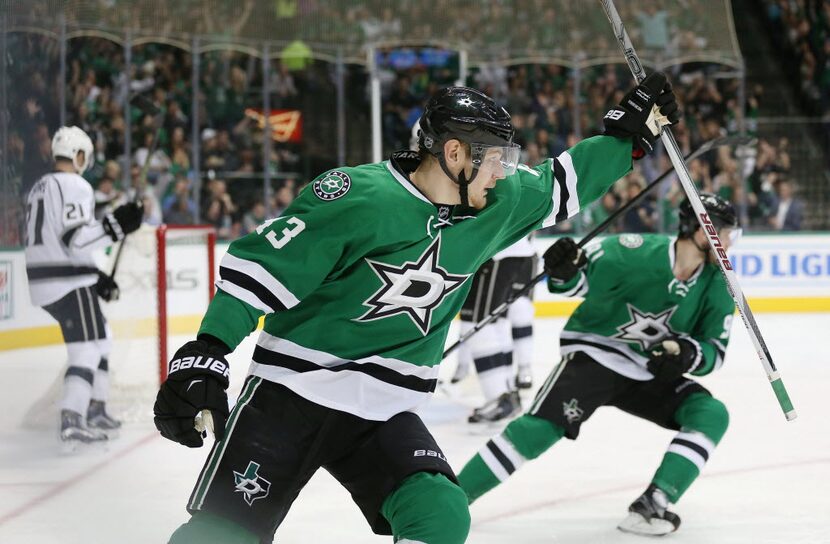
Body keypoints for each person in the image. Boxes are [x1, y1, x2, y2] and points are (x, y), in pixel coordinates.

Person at [153, 76, 679, 544]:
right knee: (219, 535)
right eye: (495, 157)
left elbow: (566, 181)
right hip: (292, 395)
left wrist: (626, 137)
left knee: (441, 515)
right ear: (455, 154)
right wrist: (209, 349)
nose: (503, 170)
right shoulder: (357, 196)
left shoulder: (495, 202)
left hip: (382, 410)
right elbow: (265, 270)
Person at [457, 193, 738, 537]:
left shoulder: (720, 283)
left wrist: (687, 354)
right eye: (722, 232)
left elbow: (714, 350)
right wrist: (563, 269)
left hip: (648, 369)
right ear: (696, 227)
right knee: (540, 429)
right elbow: (576, 281)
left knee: (711, 413)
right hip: (597, 353)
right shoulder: (634, 252)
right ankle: (452, 499)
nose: (727, 243)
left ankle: (653, 503)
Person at [24, 126, 143, 446]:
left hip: (48, 279)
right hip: (68, 281)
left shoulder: (40, 186)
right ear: (78, 156)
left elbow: (59, 239)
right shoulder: (74, 185)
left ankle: (95, 407)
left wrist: (97, 276)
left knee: (103, 337)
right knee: (87, 349)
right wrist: (117, 225)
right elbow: (76, 240)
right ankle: (73, 417)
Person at [453, 235, 538, 423]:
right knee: (496, 324)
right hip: (510, 250)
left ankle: (498, 398)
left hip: (497, 251)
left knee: (477, 326)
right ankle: (507, 393)